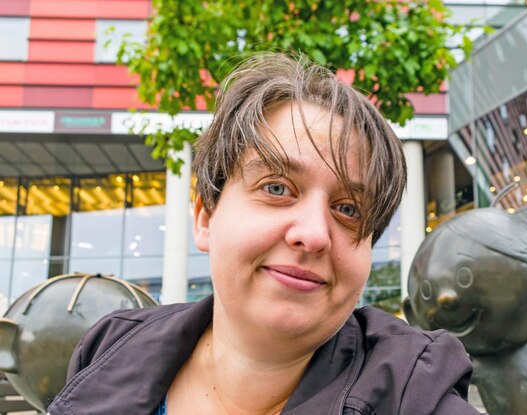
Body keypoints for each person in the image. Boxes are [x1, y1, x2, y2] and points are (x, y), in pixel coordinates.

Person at [47, 53, 481, 415]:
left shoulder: (416, 391)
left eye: (348, 209)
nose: (313, 235)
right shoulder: (109, 348)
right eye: (276, 188)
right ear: (205, 217)